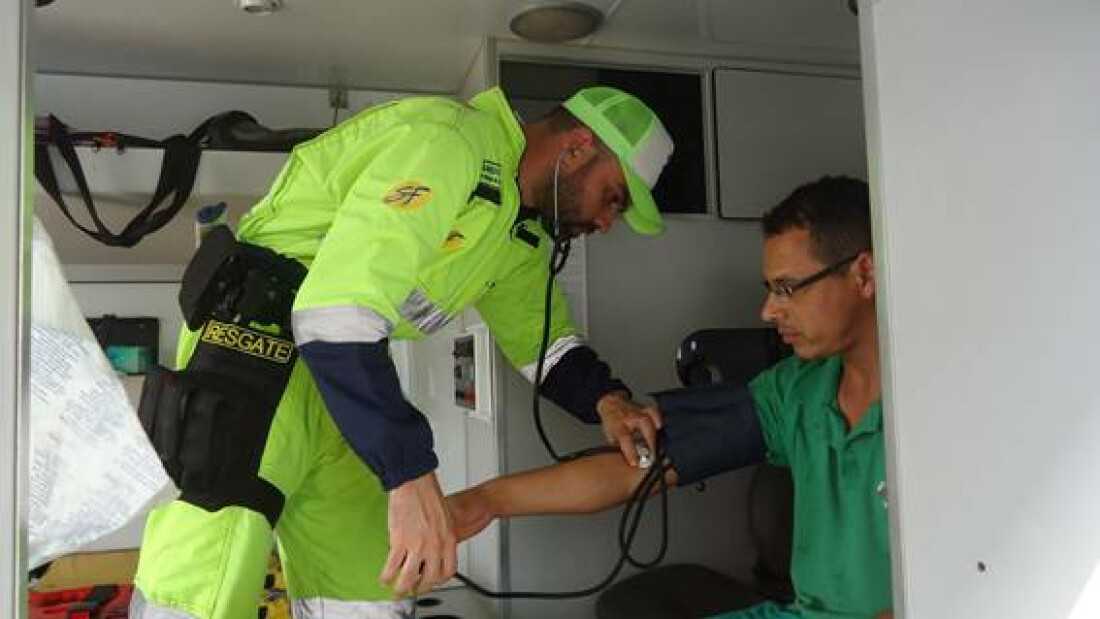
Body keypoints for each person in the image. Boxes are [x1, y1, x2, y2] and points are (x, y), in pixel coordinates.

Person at [130, 85, 673, 619]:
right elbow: (337, 310)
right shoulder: (449, 141)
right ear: (577, 147)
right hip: (256, 348)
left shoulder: (520, 234)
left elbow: (545, 343)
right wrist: (410, 475)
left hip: (347, 383)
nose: (606, 223)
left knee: (367, 584)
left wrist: (608, 401)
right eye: (614, 198)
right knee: (207, 575)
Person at [448, 176, 893, 618]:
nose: (768, 311)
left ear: (864, 274)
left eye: (787, 288)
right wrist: (482, 502)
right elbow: (637, 467)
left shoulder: (938, 410)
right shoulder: (798, 390)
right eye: (769, 290)